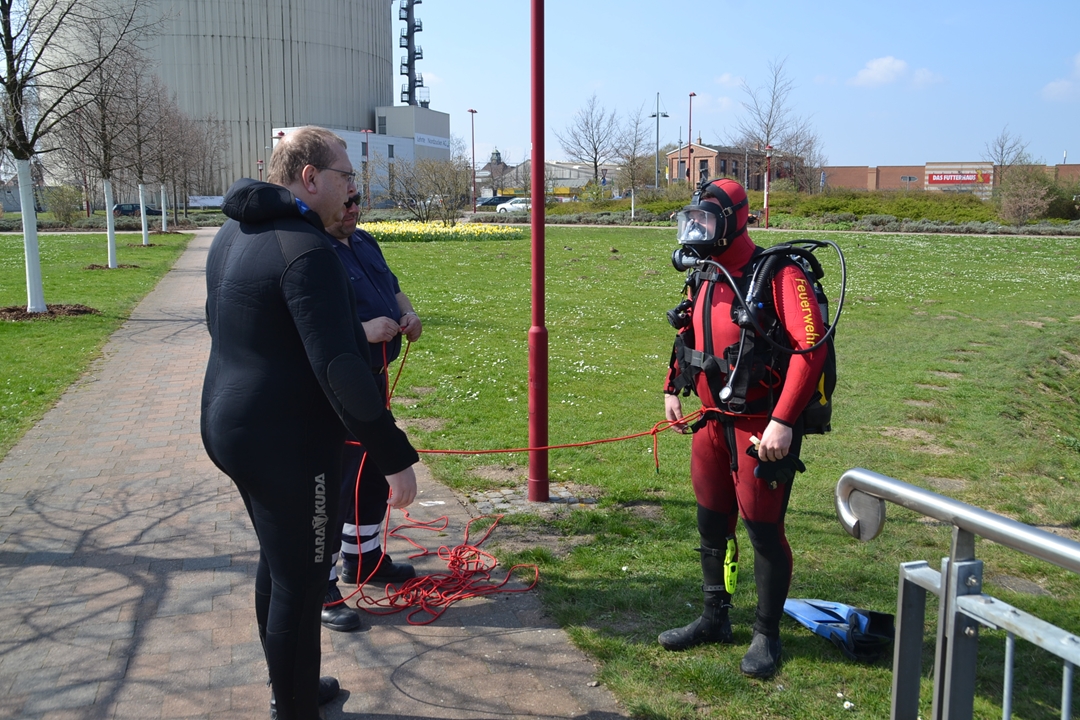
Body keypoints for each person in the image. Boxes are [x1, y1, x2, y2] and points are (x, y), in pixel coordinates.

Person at [201, 126, 419, 719]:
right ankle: (293, 707)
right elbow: (340, 369)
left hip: (229, 425)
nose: (353, 186)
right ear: (311, 178)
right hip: (284, 442)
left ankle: (289, 688)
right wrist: (394, 455)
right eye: (347, 175)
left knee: (280, 561)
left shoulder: (234, 231)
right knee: (302, 581)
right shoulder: (308, 249)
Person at [659, 177, 826, 679]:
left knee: (763, 531)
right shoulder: (704, 271)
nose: (696, 229)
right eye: (692, 220)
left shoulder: (778, 274)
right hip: (711, 423)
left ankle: (766, 635)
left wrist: (782, 421)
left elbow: (810, 349)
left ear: (735, 220)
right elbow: (688, 329)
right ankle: (715, 618)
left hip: (759, 430)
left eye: (706, 220)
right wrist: (673, 385)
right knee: (711, 524)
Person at [319, 194, 423, 633]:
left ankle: (363, 560)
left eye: (356, 202)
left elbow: (392, 287)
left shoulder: (363, 242)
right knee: (333, 481)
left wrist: (407, 312)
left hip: (373, 377)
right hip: (334, 386)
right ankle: (319, 587)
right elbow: (307, 324)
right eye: (344, 203)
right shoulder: (311, 252)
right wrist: (361, 331)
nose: (352, 210)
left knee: (368, 472)